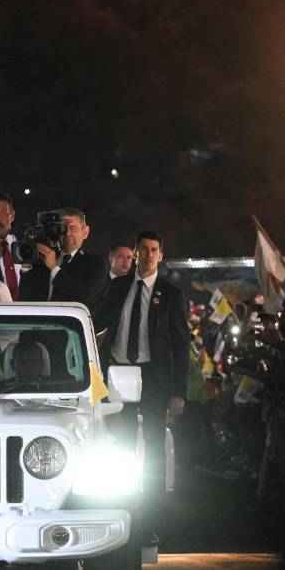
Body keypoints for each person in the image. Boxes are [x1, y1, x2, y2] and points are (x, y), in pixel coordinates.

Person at [94, 230, 190, 543]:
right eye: (143, 250)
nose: (148, 255)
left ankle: (150, 523)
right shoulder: (118, 286)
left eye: (154, 250)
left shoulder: (171, 294)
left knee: (153, 452)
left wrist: (178, 392)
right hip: (118, 375)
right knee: (117, 446)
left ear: (161, 255)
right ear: (135, 253)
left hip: (153, 378)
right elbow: (100, 330)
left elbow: (180, 345)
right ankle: (120, 515)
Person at [17, 208, 109, 316]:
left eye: (72, 228)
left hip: (68, 330)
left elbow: (85, 297)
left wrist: (54, 268)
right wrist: (26, 266)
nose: (67, 233)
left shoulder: (95, 263)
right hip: (36, 327)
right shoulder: (43, 257)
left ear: (85, 232)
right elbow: (24, 297)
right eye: (62, 227)